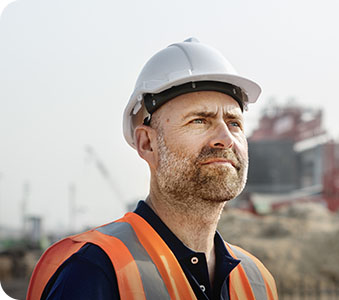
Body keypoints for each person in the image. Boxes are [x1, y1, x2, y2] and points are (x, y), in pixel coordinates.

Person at [27, 38, 277, 300]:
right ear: (147, 144)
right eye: (199, 120)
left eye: (234, 123)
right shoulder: (96, 272)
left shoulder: (257, 281)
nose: (225, 139)